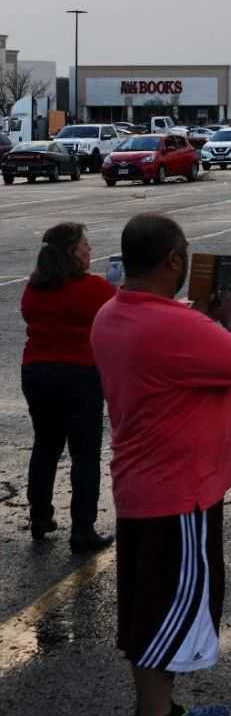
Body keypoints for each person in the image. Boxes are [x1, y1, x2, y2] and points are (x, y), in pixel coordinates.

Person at [91, 214, 231, 716]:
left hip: (151, 485)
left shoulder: (115, 314)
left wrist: (202, 320)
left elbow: (175, 340)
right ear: (172, 260)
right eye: (186, 251)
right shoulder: (173, 328)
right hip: (177, 493)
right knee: (168, 612)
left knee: (155, 603)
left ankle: (162, 710)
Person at [19, 222, 116, 553]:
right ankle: (83, 528)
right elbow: (118, 314)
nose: (90, 250)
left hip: (36, 372)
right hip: (79, 374)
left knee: (45, 445)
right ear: (72, 254)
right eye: (85, 246)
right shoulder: (94, 289)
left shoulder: (33, 288)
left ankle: (40, 516)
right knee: (85, 454)